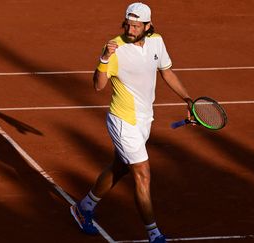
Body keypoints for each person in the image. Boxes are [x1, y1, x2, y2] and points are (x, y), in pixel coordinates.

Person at [70, 2, 192, 243]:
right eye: (128, 24)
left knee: (120, 167)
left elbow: (166, 71)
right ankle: (154, 234)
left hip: (144, 119)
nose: (130, 29)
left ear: (148, 26)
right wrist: (104, 58)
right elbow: (98, 86)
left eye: (136, 25)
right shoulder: (116, 49)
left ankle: (84, 208)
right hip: (122, 120)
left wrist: (188, 99)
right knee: (143, 174)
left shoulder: (157, 41)